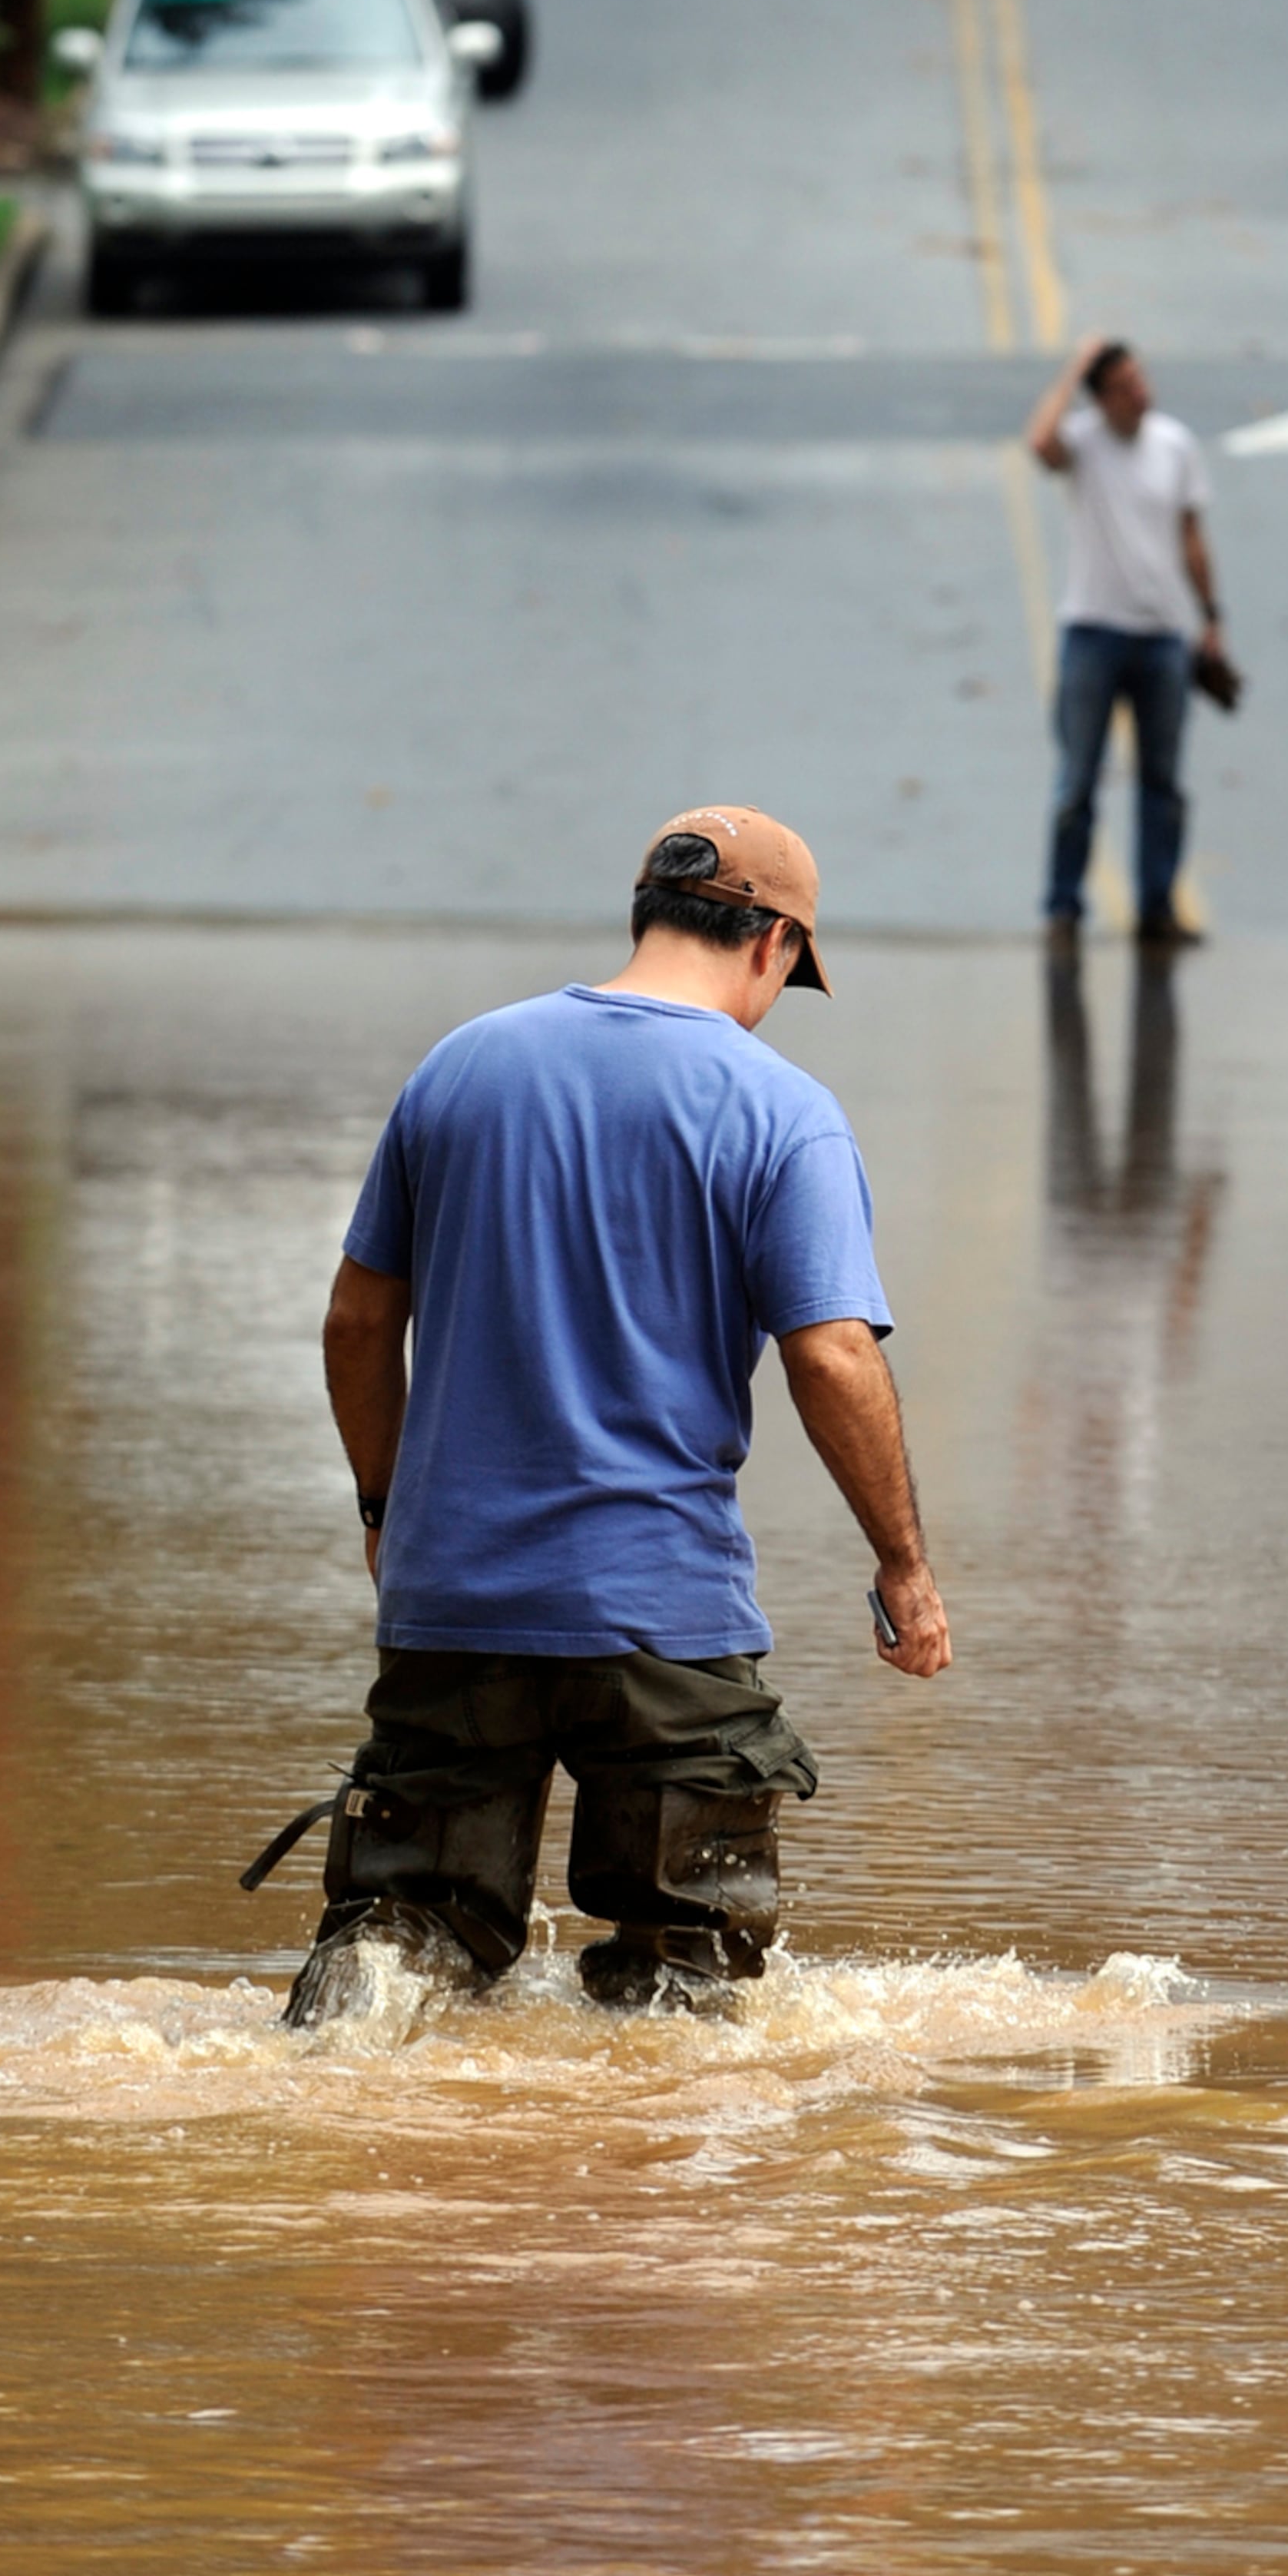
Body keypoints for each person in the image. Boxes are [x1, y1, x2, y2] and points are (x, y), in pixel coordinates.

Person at [249, 805, 952, 2030]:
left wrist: (385, 1503)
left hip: (453, 1604)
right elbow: (833, 1355)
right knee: (689, 1971)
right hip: (661, 1615)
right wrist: (903, 1563)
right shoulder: (781, 1112)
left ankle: (342, 2127)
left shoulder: (461, 1065)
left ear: (648, 911)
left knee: (395, 1948)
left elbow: (359, 1325)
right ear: (775, 942)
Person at [1025, 333, 1227, 952]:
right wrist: (1074, 369)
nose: (1141, 393)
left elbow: (1191, 535)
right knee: (1077, 783)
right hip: (1093, 632)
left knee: (1162, 786)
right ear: (1102, 399)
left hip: (1163, 635)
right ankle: (1064, 909)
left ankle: (1157, 909)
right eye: (1124, 386)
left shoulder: (1175, 445)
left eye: (1142, 380)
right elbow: (1040, 443)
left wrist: (1211, 618)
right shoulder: (1084, 441)